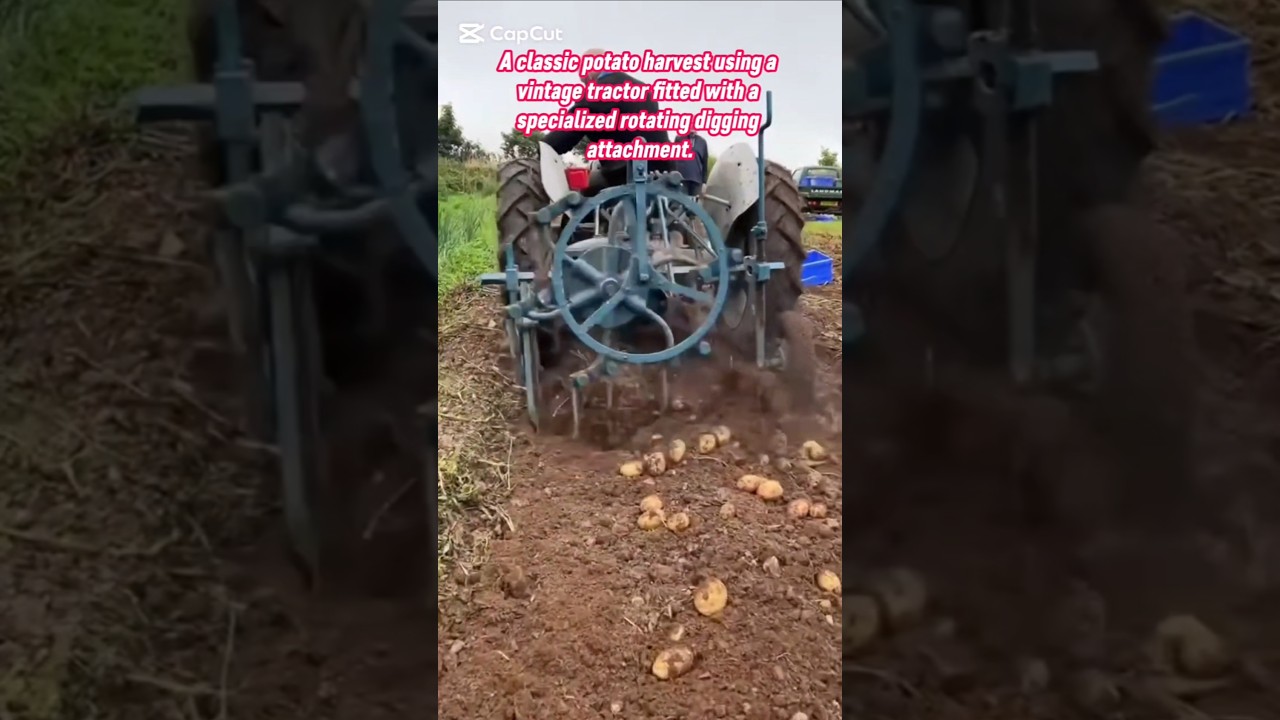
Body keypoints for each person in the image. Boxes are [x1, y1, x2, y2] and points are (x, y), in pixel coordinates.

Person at [543, 48, 673, 188]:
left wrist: (543, 149)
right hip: (665, 174)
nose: (586, 84)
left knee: (582, 188)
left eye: (585, 79)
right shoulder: (644, 88)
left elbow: (566, 133)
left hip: (625, 175)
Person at [672, 131, 708, 196]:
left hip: (697, 181)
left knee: (693, 203)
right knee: (681, 202)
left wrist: (704, 182)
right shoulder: (679, 138)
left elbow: (705, 163)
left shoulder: (702, 142)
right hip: (682, 179)